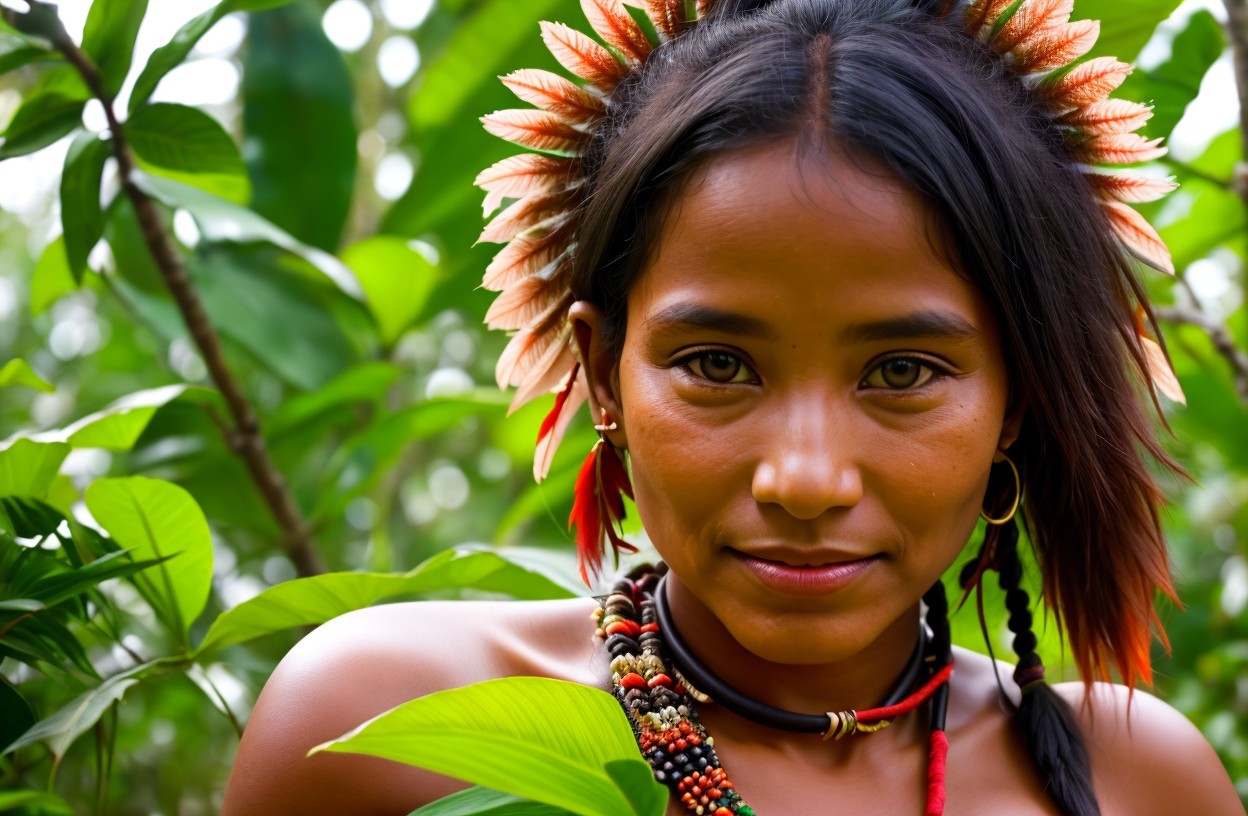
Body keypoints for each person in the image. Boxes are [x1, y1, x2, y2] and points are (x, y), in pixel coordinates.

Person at [222, 0, 1246, 814]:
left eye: (901, 373)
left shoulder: (1139, 787)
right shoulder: (383, 728)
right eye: (717, 364)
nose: (804, 478)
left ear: (1015, 399)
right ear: (601, 366)